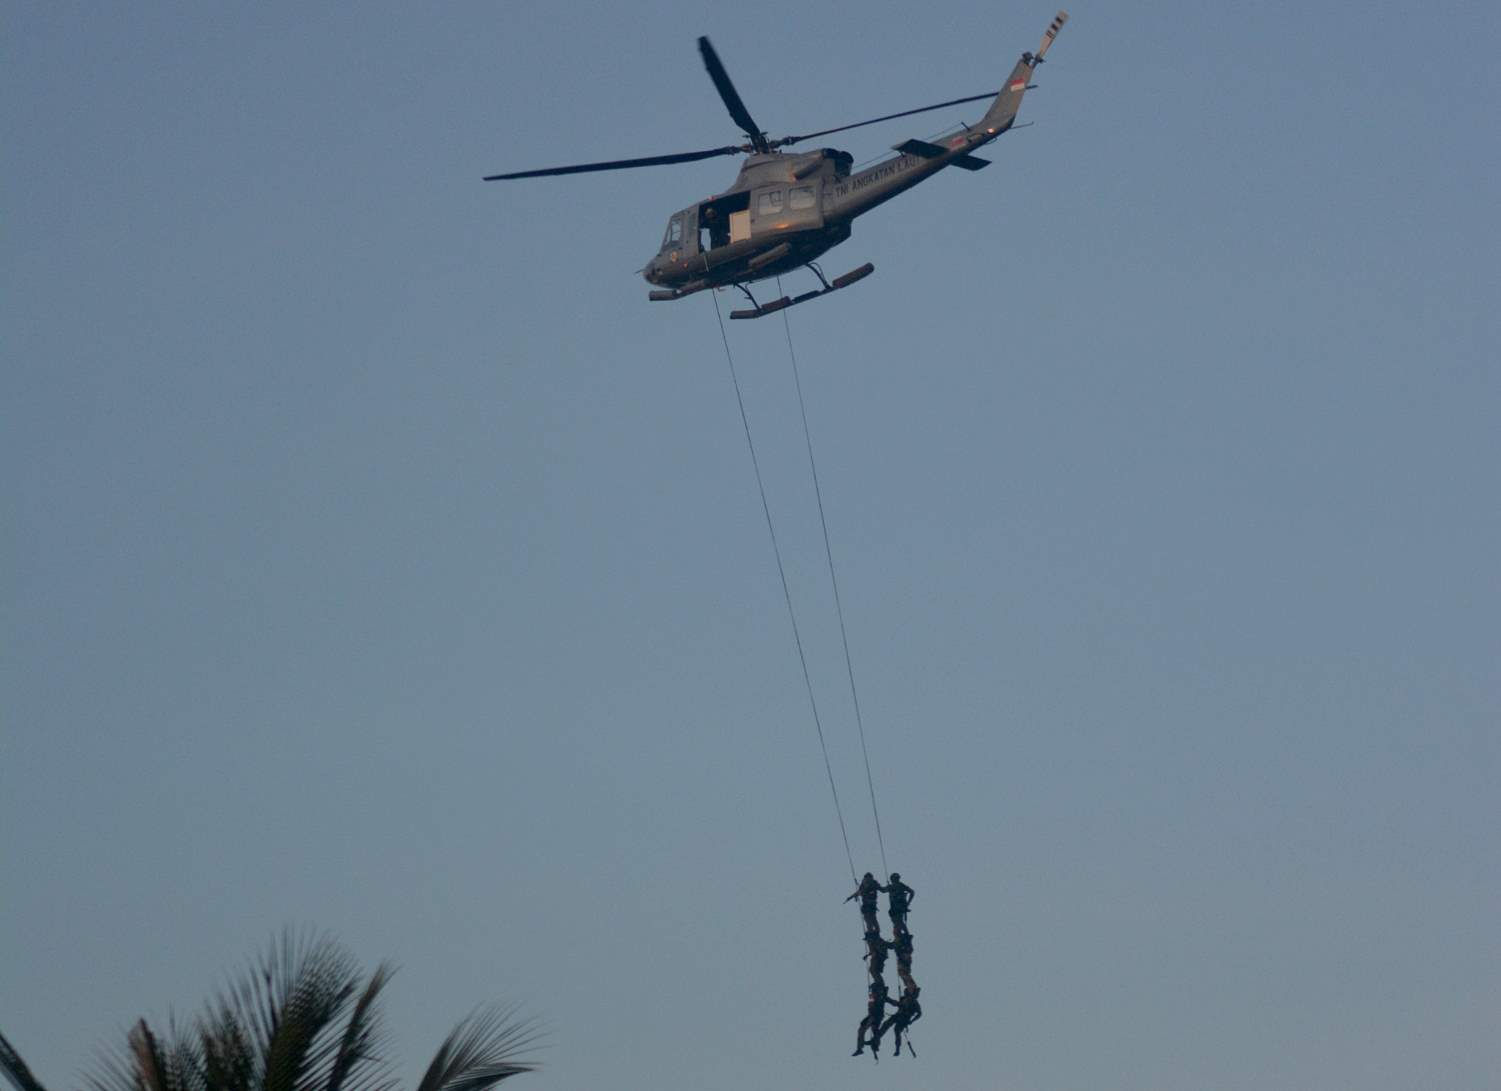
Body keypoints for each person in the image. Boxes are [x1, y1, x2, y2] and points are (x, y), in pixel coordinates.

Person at [852, 980, 897, 1057]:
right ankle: (873, 1045)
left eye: (873, 990)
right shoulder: (874, 997)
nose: (872, 992)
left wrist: (900, 1004)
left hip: (875, 1016)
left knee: (863, 1030)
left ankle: (862, 1047)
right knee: (873, 1031)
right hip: (873, 1016)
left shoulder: (881, 997)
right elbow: (871, 1006)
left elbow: (893, 1002)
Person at [880, 986, 923, 1056]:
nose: (905, 993)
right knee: (886, 1024)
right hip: (898, 1016)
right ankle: (877, 1038)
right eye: (905, 992)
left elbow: (919, 1014)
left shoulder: (914, 1003)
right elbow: (898, 1004)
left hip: (904, 1019)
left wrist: (912, 1021)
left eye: (906, 992)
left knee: (896, 1031)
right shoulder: (904, 999)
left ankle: (897, 1049)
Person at [885, 872, 915, 936]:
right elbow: (912, 892)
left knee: (898, 922)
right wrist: (908, 903)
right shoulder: (901, 885)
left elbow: (882, 890)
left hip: (897, 908)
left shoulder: (893, 886)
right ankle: (902, 935)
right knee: (898, 922)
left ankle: (903, 935)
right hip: (899, 907)